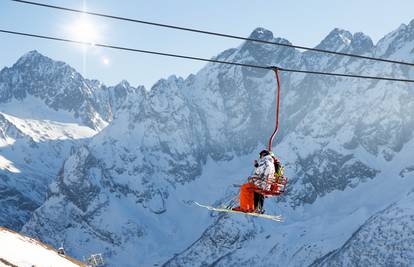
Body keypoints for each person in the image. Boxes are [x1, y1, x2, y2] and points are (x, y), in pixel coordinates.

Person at [233, 149, 275, 213]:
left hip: (260, 183)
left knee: (244, 188)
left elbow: (258, 172)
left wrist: (254, 172)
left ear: (263, 155)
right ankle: (256, 208)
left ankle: (244, 207)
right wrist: (258, 166)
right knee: (257, 192)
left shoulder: (265, 161)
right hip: (266, 184)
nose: (260, 158)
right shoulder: (271, 163)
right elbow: (265, 171)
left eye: (260, 156)